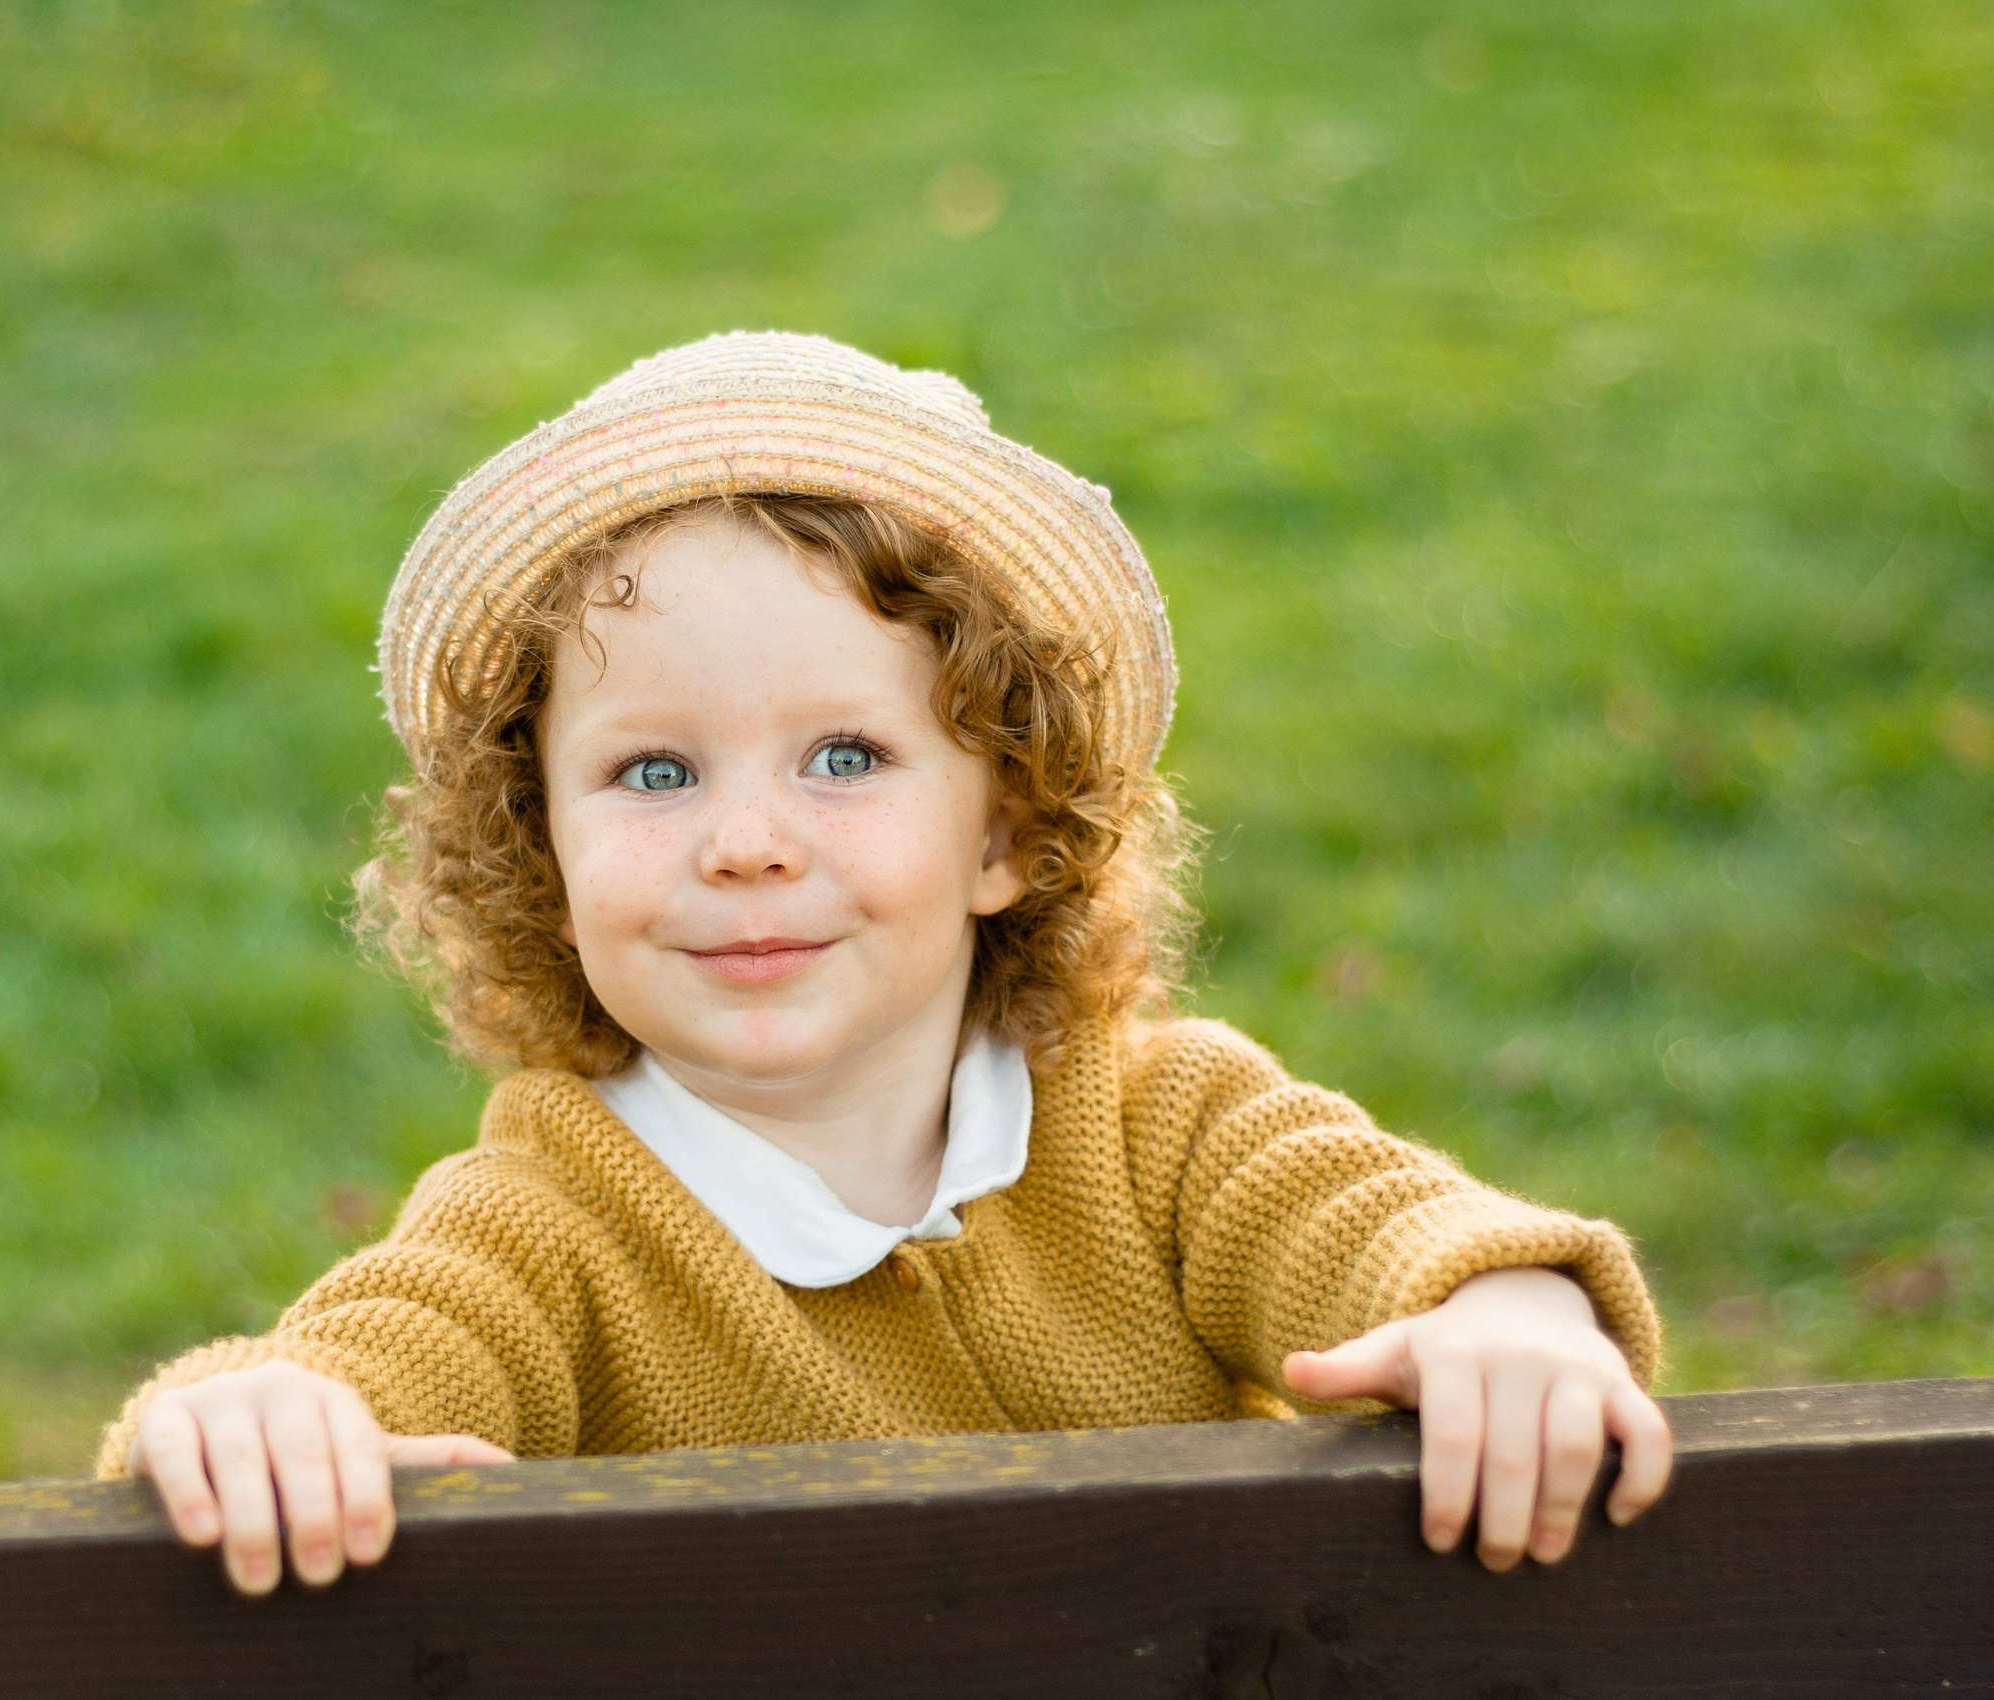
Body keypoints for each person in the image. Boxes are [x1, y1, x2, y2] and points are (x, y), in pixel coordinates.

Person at [97, 332, 1671, 1596]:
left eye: (845, 757)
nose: (747, 845)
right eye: (655, 773)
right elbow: (384, 1353)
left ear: (1005, 833)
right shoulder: (545, 1221)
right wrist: (265, 1414)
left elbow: (1360, 1214)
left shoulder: (1162, 1128)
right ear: (542, 854)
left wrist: (1504, 1306)